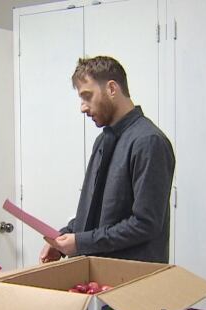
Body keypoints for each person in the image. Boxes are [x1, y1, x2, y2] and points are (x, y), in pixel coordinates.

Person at [40, 56, 175, 264]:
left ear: (112, 89)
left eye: (87, 96)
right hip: (101, 276)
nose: (83, 108)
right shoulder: (103, 140)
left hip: (133, 281)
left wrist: (80, 242)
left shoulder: (149, 142)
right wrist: (64, 236)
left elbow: (145, 224)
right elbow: (95, 211)